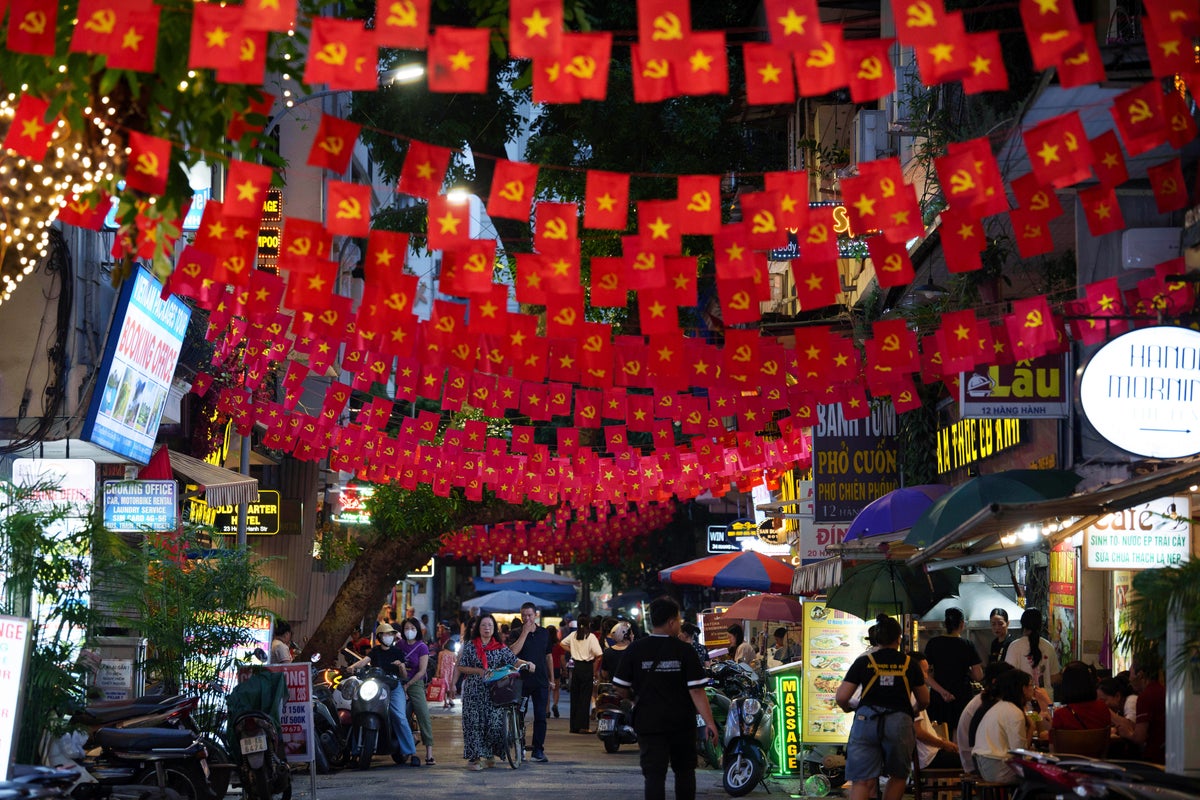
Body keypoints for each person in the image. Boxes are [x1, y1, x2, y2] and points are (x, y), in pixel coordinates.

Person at [613, 597, 717, 800]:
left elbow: (619, 687)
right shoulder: (685, 651)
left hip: (649, 723)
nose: (679, 623)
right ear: (671, 622)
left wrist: (635, 698)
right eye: (678, 619)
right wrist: (710, 723)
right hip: (681, 724)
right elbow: (697, 691)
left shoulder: (636, 649)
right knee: (685, 772)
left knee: (654, 775)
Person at [834, 615, 928, 800]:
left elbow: (842, 697)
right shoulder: (910, 664)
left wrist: (848, 708)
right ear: (899, 639)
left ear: (877, 638)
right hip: (899, 723)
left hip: (866, 721)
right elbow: (924, 699)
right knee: (898, 775)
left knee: (861, 779)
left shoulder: (864, 661)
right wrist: (913, 711)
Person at [454, 613, 534, 770]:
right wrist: (478, 671)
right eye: (483, 625)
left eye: (490, 625)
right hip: (474, 691)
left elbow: (514, 660)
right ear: (478, 628)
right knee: (474, 724)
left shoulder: (500, 647)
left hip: (494, 691)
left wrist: (527, 663)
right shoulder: (470, 645)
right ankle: (475, 758)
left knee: (494, 723)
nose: (487, 628)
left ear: (494, 628)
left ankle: (490, 755)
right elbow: (461, 666)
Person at [357, 622, 418, 765]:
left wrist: (401, 666)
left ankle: (411, 751)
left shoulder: (397, 652)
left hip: (394, 686)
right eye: (386, 634)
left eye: (391, 634)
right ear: (379, 636)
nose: (389, 637)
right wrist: (351, 668)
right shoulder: (375, 651)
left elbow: (404, 675)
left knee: (399, 716)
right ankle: (354, 750)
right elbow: (364, 662)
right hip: (377, 686)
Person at [507, 602, 555, 763]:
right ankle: (520, 746)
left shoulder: (544, 633)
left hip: (540, 680)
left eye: (529, 615)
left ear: (536, 615)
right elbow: (512, 653)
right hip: (521, 681)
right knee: (519, 714)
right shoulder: (515, 633)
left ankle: (538, 750)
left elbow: (548, 656)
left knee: (541, 715)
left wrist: (552, 679)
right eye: (524, 615)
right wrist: (525, 633)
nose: (527, 618)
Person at [968, 669, 1034, 784]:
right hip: (996, 768)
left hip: (983, 764)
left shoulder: (1001, 706)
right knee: (1042, 775)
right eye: (1031, 685)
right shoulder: (1014, 712)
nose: (1033, 688)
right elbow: (1020, 754)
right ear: (1023, 689)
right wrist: (1031, 728)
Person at [923, 607, 983, 729]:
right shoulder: (967, 645)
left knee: (940, 732)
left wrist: (942, 692)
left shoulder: (933, 643)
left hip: (939, 698)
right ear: (962, 624)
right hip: (961, 697)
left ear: (945, 624)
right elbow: (978, 676)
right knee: (959, 733)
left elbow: (925, 674)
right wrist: (967, 670)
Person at [955, 661, 1016, 774]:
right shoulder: (985, 703)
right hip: (976, 762)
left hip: (980, 758)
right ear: (995, 681)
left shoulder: (987, 700)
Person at [397, 617, 435, 765]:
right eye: (406, 628)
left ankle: (429, 753)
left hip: (415, 684)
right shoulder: (399, 645)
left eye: (412, 628)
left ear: (417, 630)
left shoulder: (422, 647)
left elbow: (422, 671)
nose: (409, 631)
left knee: (423, 714)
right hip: (399, 683)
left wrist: (408, 685)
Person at [561, 613, 603, 734]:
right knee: (585, 698)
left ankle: (573, 726)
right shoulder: (591, 637)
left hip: (576, 668)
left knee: (575, 697)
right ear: (589, 624)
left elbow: (562, 643)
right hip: (586, 667)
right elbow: (599, 655)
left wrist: (573, 651)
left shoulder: (573, 635)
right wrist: (594, 670)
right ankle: (584, 726)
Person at [1005, 608, 1062, 690]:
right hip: (1045, 699)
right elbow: (1055, 677)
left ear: (1022, 624)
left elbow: (1008, 677)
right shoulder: (1048, 646)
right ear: (1040, 625)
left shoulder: (1014, 647)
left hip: (1023, 700)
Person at [1129, 653, 1166, 763]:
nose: (1129, 679)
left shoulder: (1145, 697)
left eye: (1130, 673)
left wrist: (1125, 733)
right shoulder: (1163, 690)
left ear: (1140, 675)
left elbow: (1140, 737)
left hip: (1154, 760)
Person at [435, 624, 458, 709]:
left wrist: (437, 673)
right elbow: (456, 664)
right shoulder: (454, 654)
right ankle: (451, 700)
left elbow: (439, 663)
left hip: (443, 672)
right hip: (451, 672)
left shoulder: (441, 653)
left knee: (444, 687)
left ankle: (445, 702)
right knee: (451, 686)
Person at [546, 624, 563, 718]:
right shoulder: (558, 645)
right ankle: (555, 705)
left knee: (546, 690)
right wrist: (564, 669)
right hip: (556, 668)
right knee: (556, 689)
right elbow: (562, 659)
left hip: (546, 668)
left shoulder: (544, 644)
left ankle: (547, 710)